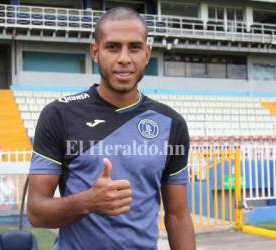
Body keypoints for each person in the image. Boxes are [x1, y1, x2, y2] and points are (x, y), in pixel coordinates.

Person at [27, 6, 196, 250]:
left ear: (147, 54)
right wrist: (89, 201)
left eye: (135, 47)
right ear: (95, 52)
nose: (124, 58)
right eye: (113, 47)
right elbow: (36, 212)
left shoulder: (171, 124)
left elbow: (178, 216)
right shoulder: (59, 115)